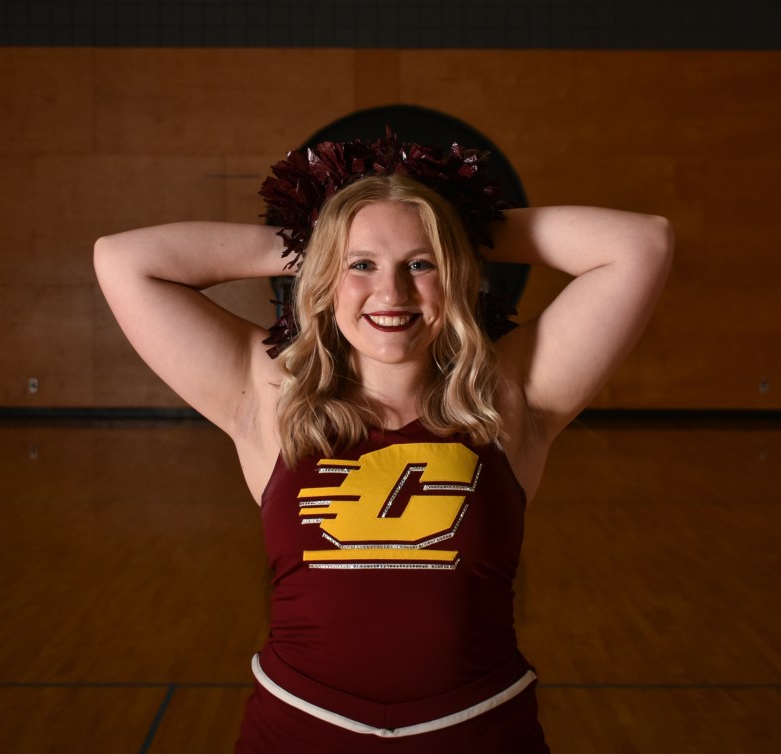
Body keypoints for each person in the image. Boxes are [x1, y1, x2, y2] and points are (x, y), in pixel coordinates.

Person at [94, 134, 673, 753]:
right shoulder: (269, 393)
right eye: (361, 266)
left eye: (419, 265)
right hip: (299, 732)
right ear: (324, 278)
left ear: (452, 276)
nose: (392, 294)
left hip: (478, 732)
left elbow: (643, 244)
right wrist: (325, 243)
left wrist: (448, 231)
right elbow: (124, 259)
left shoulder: (508, 397)